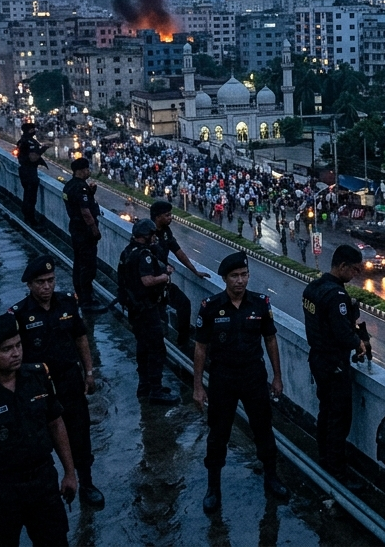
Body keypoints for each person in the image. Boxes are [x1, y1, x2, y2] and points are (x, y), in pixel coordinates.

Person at [0, 314, 77, 547]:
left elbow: (56, 423)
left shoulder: (38, 376)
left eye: (18, 345)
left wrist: (70, 471)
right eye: (6, 349)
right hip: (0, 492)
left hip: (42, 482)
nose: (16, 353)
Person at [193, 252, 289, 512]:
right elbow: (201, 347)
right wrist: (198, 386)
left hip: (253, 377)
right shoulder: (211, 306)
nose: (240, 281)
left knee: (263, 430)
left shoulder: (259, 304)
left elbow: (270, 340)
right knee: (218, 434)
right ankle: (213, 487)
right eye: (234, 276)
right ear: (224, 278)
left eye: (244, 275)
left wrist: (277, 377)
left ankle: (271, 477)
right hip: (223, 378)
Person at [9, 255, 104, 508]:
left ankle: (87, 482)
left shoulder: (67, 303)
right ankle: (47, 489)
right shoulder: (19, 315)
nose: (47, 287)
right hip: (38, 387)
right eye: (40, 282)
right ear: (29, 285)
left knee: (80, 433)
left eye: (50, 280)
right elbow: (11, 353)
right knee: (39, 440)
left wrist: (89, 371)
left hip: (69, 381)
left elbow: (81, 338)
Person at [302, 244, 369, 489]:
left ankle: (325, 459)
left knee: (326, 413)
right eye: (354, 270)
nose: (356, 274)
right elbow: (342, 333)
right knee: (339, 420)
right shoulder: (336, 296)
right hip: (334, 364)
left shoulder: (313, 288)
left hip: (318, 359)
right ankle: (338, 473)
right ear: (341, 266)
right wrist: (358, 343)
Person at [118, 219, 180, 406]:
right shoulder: (143, 254)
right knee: (156, 349)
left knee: (143, 347)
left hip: (135, 308)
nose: (155, 238)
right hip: (146, 309)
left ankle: (145, 386)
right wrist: (165, 276)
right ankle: (156, 389)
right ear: (146, 236)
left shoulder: (129, 251)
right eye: (152, 235)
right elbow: (146, 280)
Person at [148, 201, 207, 347]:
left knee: (184, 303)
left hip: (164, 282)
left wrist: (194, 270)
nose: (170, 218)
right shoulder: (147, 232)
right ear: (157, 217)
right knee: (158, 320)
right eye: (167, 215)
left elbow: (178, 252)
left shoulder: (166, 232)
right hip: (149, 285)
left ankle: (182, 342)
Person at [63, 158, 103, 310]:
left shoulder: (69, 186)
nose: (89, 172)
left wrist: (91, 193)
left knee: (78, 263)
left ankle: (80, 293)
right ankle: (86, 300)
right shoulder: (81, 188)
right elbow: (85, 211)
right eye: (87, 169)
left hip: (75, 229)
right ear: (80, 171)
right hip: (85, 232)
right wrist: (95, 230)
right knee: (88, 266)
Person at [17, 123, 47, 225]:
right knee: (31, 197)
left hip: (23, 171)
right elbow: (33, 157)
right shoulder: (31, 142)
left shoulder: (22, 140)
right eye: (33, 129)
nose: (35, 130)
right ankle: (31, 219)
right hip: (30, 171)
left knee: (27, 195)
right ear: (30, 130)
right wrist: (43, 149)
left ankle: (27, 216)